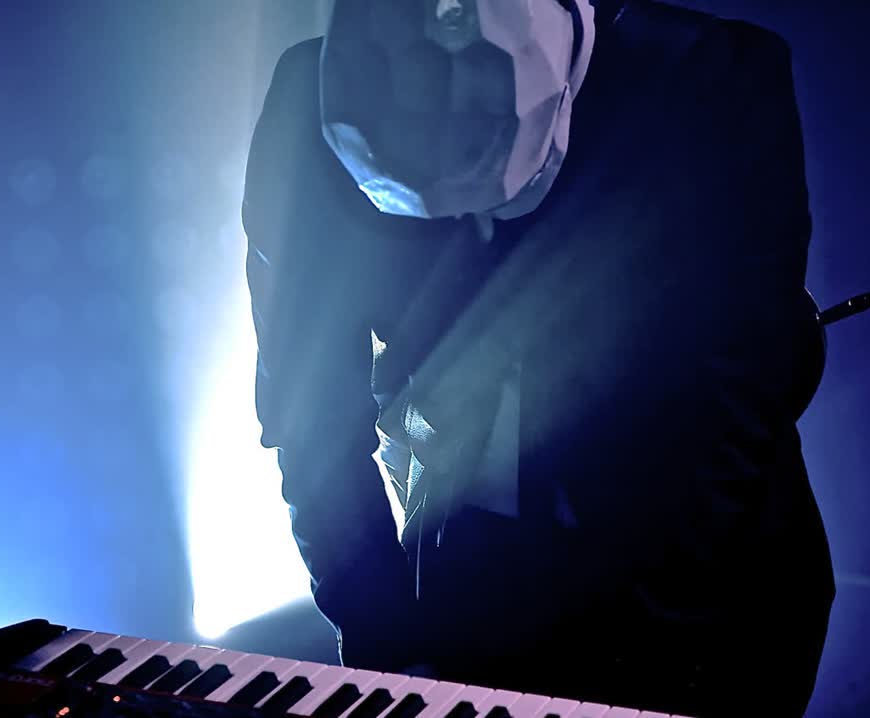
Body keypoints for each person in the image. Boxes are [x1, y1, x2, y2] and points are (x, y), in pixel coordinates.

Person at [242, 1, 835, 716]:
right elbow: (312, 428)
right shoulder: (304, 110)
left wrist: (651, 679)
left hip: (710, 604)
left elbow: (732, 416)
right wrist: (391, 651)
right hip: (467, 586)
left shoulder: (712, 82)